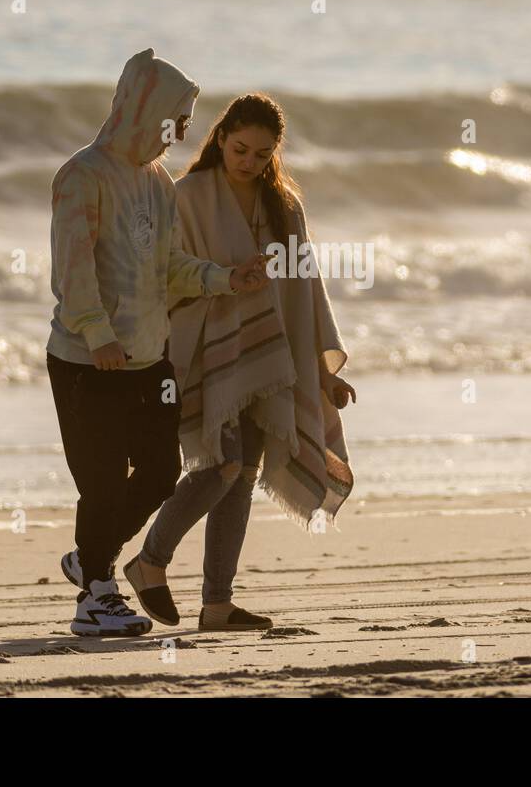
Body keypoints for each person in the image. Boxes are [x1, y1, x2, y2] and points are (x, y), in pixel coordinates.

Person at [45, 50, 266, 637]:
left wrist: (224, 279)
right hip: (87, 361)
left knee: (160, 474)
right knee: (101, 481)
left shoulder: (156, 182)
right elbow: (73, 270)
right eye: (177, 119)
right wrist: (98, 336)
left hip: (149, 359)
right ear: (143, 111)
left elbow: (169, 267)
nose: (184, 133)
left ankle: (90, 559)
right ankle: (94, 597)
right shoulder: (82, 175)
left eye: (186, 120)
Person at [121, 92, 356, 631]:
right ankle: (149, 561)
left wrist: (322, 375)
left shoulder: (284, 205)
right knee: (220, 467)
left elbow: (306, 294)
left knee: (243, 473)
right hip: (202, 351)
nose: (248, 161)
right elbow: (163, 276)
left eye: (261, 153)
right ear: (222, 137)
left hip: (272, 359)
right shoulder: (187, 196)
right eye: (241, 148)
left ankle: (217, 604)